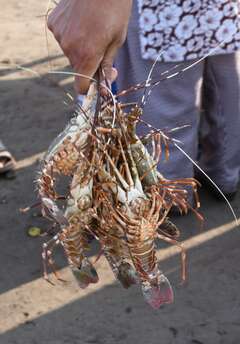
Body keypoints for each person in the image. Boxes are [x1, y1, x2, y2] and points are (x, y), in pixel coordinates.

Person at [47, 0, 240, 199]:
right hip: (220, 11)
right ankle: (225, 174)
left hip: (163, 14)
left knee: (164, 107)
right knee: (224, 87)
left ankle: (170, 196)